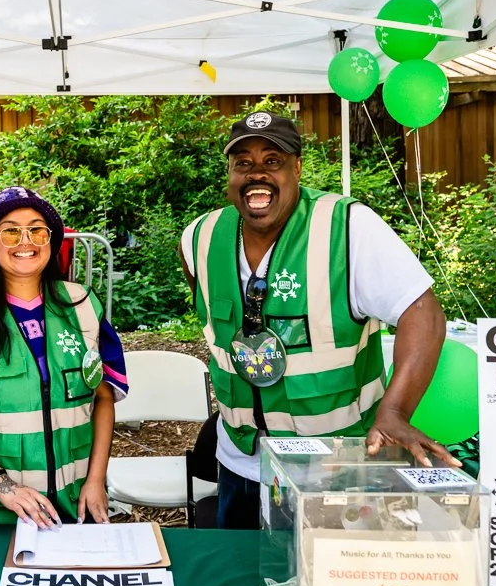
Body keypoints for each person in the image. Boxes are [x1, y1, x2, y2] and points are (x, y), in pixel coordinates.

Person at [180, 111, 456, 531]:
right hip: (240, 462)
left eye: (273, 161)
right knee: (238, 582)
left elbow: (423, 313)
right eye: (244, 163)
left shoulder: (347, 226)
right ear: (230, 174)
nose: (257, 174)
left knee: (332, 584)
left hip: (335, 465)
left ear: (297, 169)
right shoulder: (198, 236)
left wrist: (395, 410)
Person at [0, 186, 127, 527]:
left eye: (37, 229)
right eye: (11, 230)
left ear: (51, 240)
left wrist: (95, 480)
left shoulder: (84, 305)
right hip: (0, 512)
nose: (25, 241)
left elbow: (103, 397)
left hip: (78, 505)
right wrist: (4, 486)